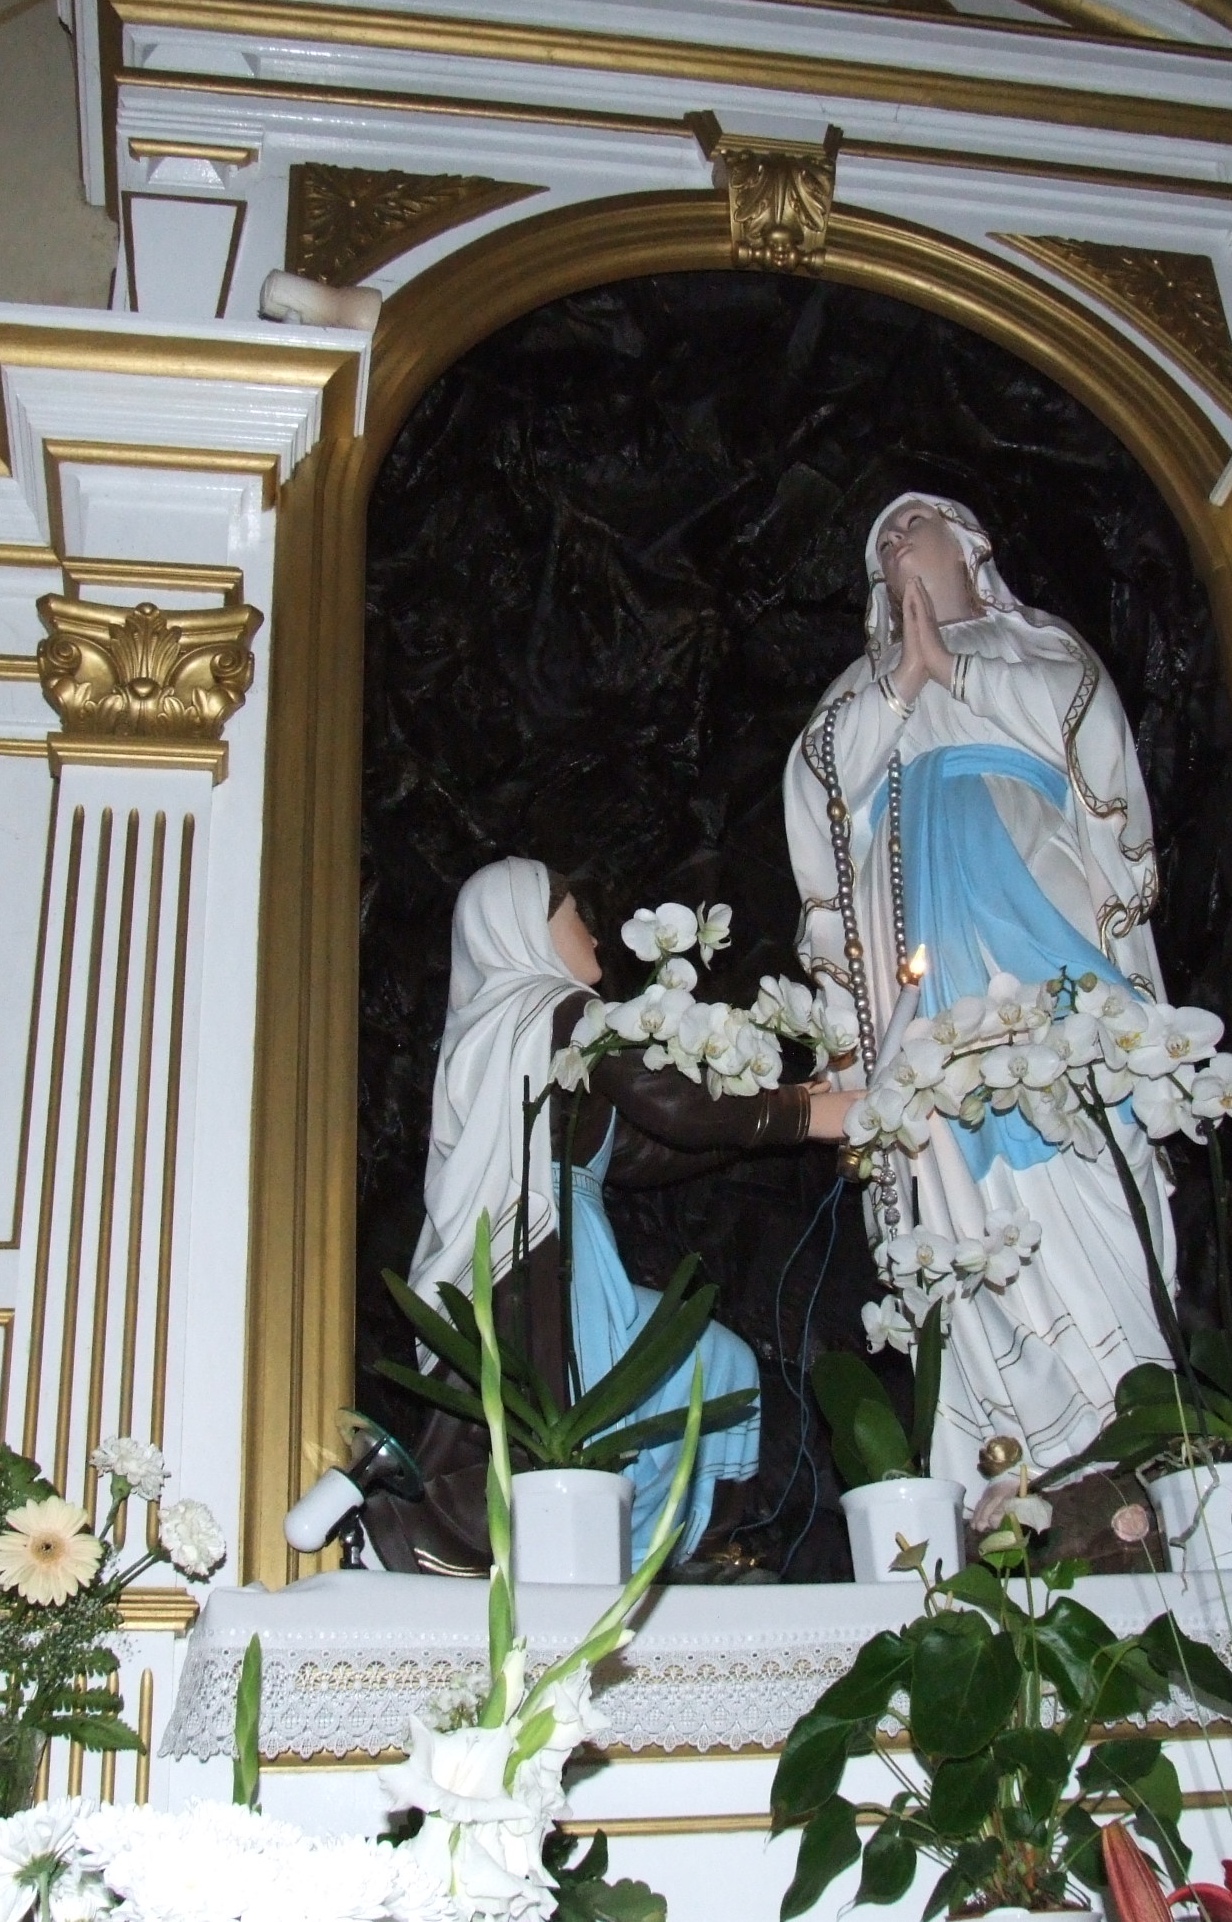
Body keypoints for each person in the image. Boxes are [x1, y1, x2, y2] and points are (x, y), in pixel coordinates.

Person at [783, 492, 1178, 1501]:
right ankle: (1012, 1437)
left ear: (969, 547)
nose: (895, 543)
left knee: (1077, 1105)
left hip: (1034, 896)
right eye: (880, 542)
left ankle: (1125, 1402)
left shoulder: (1035, 643)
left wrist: (955, 670)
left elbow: (1090, 733)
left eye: (912, 526)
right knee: (954, 1152)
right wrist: (903, 684)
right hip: (918, 944)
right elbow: (816, 790)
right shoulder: (864, 685)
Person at [365, 856, 856, 1575]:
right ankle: (463, 1539)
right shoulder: (558, 1012)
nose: (594, 937)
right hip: (545, 1257)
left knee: (715, 1361)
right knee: (578, 1423)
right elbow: (670, 1107)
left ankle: (677, 1546)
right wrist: (801, 1116)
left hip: (571, 1243)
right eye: (574, 917)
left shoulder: (511, 1027)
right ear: (525, 927)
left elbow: (637, 1150)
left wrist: (759, 1128)